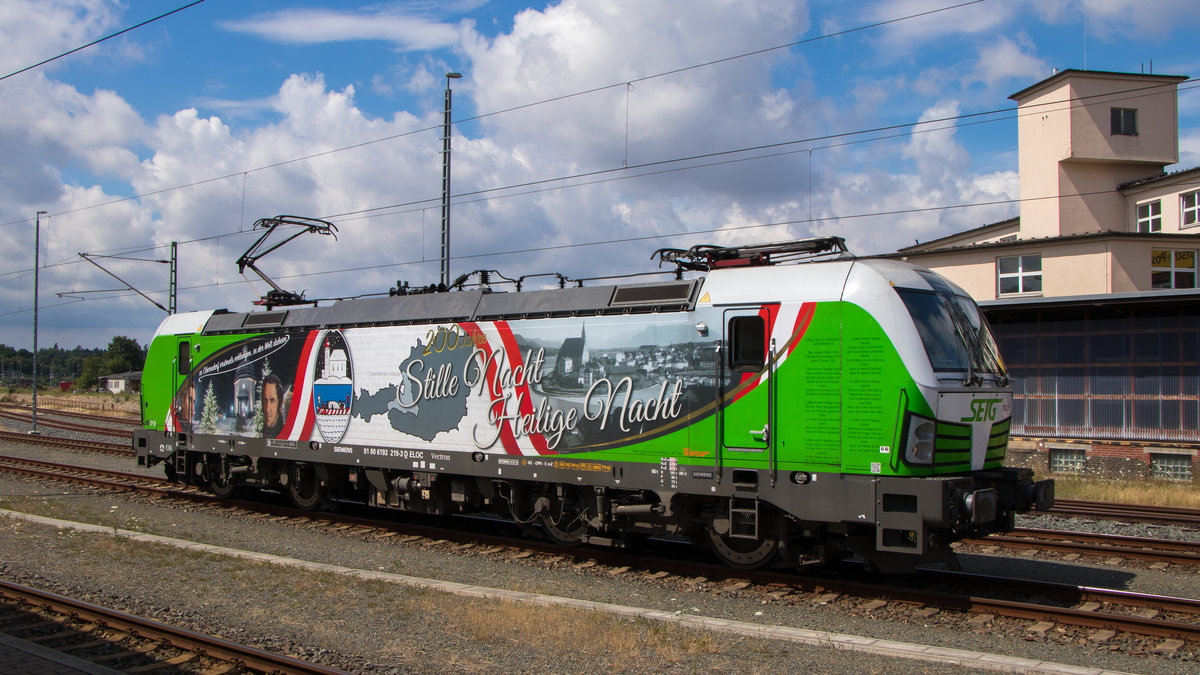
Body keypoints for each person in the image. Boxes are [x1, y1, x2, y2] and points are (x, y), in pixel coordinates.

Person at [262, 374, 285, 438]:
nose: (267, 409)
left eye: (272, 400)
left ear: (280, 404)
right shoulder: (263, 433)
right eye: (265, 400)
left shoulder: (285, 435)